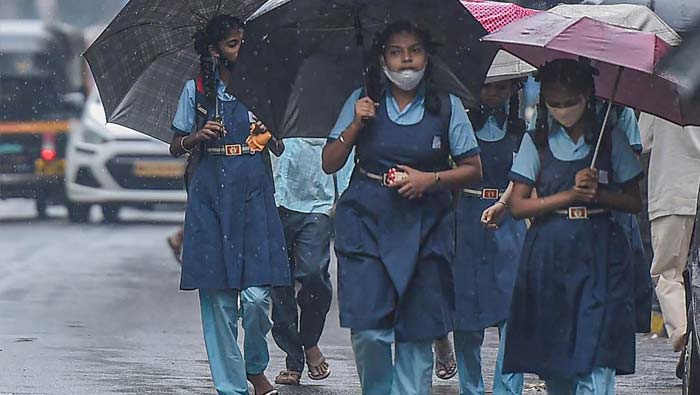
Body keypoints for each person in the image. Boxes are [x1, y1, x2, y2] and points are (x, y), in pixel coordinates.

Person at [322, 21, 483, 395]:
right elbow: (330, 162)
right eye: (396, 51)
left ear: (428, 56)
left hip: (426, 225)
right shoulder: (361, 100)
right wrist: (355, 126)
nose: (406, 59)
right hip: (366, 220)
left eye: (414, 50)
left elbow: (474, 168)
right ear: (382, 59)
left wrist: (431, 180)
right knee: (369, 331)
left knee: (417, 332)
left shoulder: (446, 106)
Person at [504, 58, 644, 394]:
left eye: (570, 102)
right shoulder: (535, 142)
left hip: (601, 253)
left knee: (597, 353)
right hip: (550, 254)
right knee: (557, 358)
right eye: (554, 103)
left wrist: (599, 195)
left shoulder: (610, 140)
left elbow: (633, 202)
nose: (563, 109)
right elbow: (518, 205)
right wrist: (568, 195)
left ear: (587, 95)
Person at [168, 15, 289, 395]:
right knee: (218, 301)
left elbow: (281, 144)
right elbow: (175, 146)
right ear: (214, 50)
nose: (240, 50)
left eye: (243, 42)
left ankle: (255, 365)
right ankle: (231, 387)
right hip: (210, 196)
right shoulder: (197, 89)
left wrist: (268, 134)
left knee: (256, 298)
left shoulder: (263, 85)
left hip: (253, 192)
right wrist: (197, 136)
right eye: (232, 44)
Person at [450, 76, 528, 395]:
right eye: (487, 85)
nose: (494, 93)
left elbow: (525, 175)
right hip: (466, 218)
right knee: (466, 311)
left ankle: (508, 389)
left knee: (513, 308)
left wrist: (503, 202)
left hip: (509, 220)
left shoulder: (522, 131)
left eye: (502, 86)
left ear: (513, 89)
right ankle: (471, 387)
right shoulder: (460, 126)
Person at [269, 137, 354, 385]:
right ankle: (293, 358)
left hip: (317, 201)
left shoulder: (328, 103)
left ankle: (309, 340)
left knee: (313, 273)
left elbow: (345, 144)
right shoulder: (273, 103)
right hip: (275, 198)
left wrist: (346, 195)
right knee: (280, 282)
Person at [638, 112, 700, 378]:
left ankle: (685, 337)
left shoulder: (660, 89)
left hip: (673, 190)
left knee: (667, 272)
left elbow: (642, 141)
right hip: (681, 190)